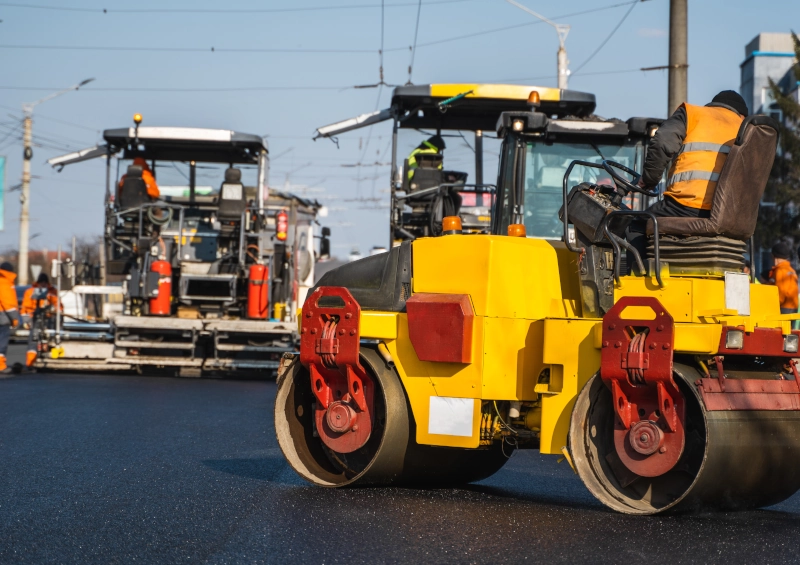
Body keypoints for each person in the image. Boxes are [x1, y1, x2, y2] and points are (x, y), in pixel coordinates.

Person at [627, 90, 748, 263]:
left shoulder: (694, 114)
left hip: (685, 205)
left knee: (637, 225)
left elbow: (662, 142)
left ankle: (639, 278)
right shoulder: (746, 129)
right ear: (742, 114)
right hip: (730, 213)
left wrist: (649, 179)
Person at [21, 273, 60, 368]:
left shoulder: (52, 292)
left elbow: (59, 306)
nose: (43, 284)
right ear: (38, 283)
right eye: (41, 282)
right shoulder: (30, 292)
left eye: (45, 282)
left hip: (50, 319)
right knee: (33, 340)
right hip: (35, 318)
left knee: (52, 339)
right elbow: (25, 308)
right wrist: (26, 321)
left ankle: (51, 359)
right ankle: (30, 363)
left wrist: (56, 313)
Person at [762, 243, 798, 315]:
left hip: (783, 307)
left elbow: (781, 291)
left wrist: (774, 305)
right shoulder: (791, 270)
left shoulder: (780, 271)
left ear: (773, 256)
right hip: (793, 306)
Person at [0, 262, 20, 374]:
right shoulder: (5, 282)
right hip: (3, 318)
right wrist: (14, 319)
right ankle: (0, 365)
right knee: (2, 342)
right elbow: (8, 303)